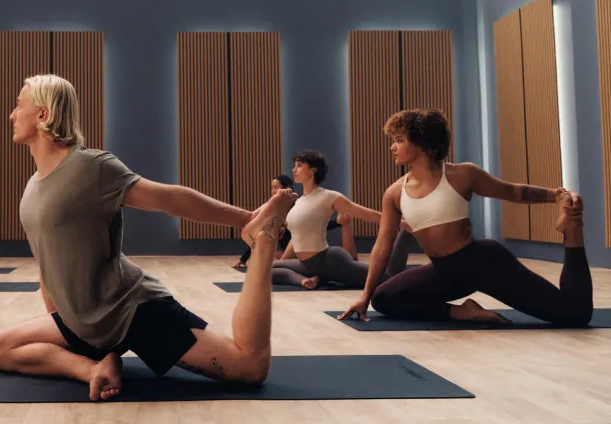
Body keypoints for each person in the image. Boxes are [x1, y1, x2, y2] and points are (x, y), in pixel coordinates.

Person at [0, 74, 295, 401]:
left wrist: (245, 219)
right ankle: (93, 369)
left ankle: (264, 239)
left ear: (43, 115)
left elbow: (169, 199)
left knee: (249, 368)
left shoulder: (92, 167)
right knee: (0, 348)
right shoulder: (33, 187)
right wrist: (64, 321)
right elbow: (48, 265)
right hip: (84, 324)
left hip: (132, 312)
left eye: (19, 105)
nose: (11, 114)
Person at [338, 109, 592, 326]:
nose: (392, 147)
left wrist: (557, 195)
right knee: (383, 298)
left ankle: (573, 230)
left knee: (575, 315)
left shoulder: (462, 174)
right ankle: (463, 311)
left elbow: (512, 191)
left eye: (399, 140)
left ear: (421, 142)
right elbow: (383, 245)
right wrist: (364, 295)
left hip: (483, 264)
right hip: (444, 272)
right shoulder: (394, 193)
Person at [271, 150, 414, 289]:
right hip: (308, 264)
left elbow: (365, 213)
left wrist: (399, 222)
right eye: (295, 166)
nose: (294, 170)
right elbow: (296, 236)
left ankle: (407, 233)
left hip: (329, 261)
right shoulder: (300, 200)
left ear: (313, 170)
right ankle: (310, 279)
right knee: (268, 269)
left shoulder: (328, 196)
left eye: (300, 165)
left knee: (387, 279)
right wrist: (284, 258)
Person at [232, 174, 340, 268]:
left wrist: (337, 222)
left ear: (287, 188)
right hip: (286, 252)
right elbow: (257, 234)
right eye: (271, 188)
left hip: (303, 249)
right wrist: (243, 259)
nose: (273, 191)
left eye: (275, 187)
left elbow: (316, 225)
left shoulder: (299, 205)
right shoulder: (272, 208)